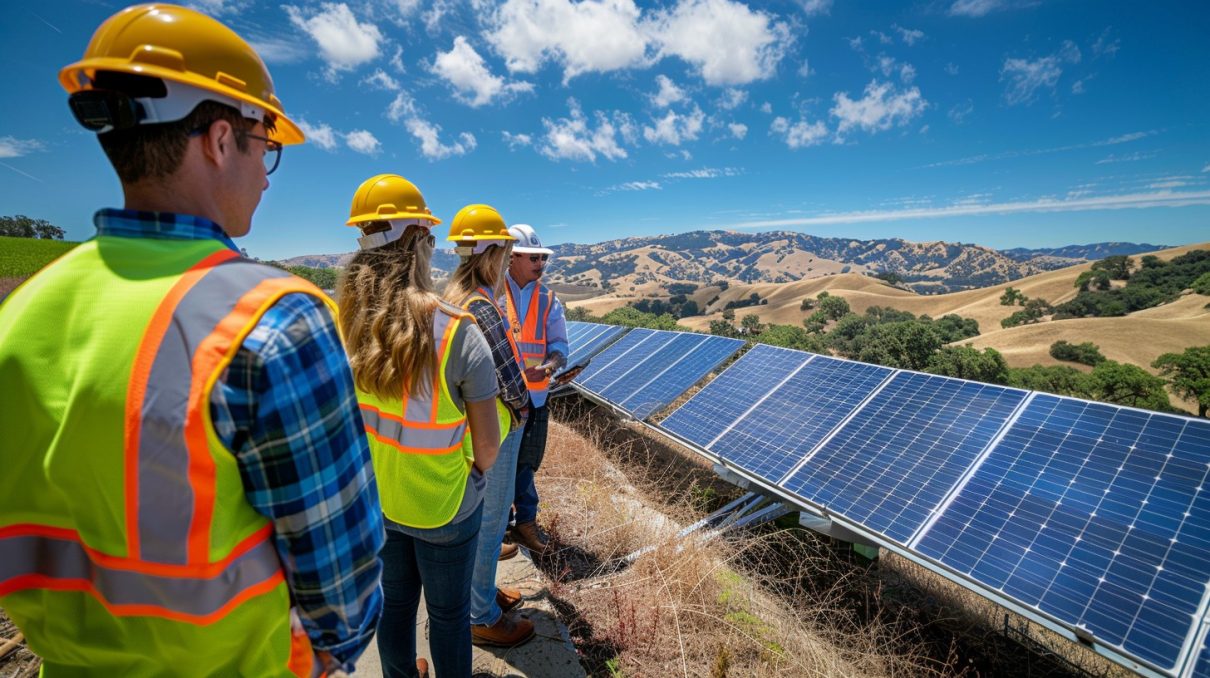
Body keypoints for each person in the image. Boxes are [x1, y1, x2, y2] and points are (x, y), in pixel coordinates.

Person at [0, 4, 383, 676]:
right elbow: (343, 592)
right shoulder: (275, 320)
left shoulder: (21, 313)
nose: (267, 172)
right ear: (218, 138)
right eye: (268, 147)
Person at [339, 175, 502, 678]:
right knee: (449, 617)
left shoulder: (345, 324)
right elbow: (489, 448)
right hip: (445, 505)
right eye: (430, 239)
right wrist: (473, 476)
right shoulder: (458, 332)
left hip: (380, 503)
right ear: (418, 245)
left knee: (393, 611)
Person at [443, 205, 537, 647]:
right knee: (491, 522)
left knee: (481, 520)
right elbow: (509, 380)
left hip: (470, 431)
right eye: (504, 250)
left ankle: (480, 593)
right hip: (497, 432)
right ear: (493, 254)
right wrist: (523, 410)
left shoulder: (455, 298)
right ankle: (480, 614)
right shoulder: (482, 306)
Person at [503, 224, 569, 555]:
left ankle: (524, 523)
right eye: (534, 257)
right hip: (498, 398)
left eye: (542, 258)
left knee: (526, 462)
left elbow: (559, 347)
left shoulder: (549, 299)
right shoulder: (491, 293)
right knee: (497, 462)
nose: (540, 264)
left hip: (536, 396)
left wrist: (550, 366)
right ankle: (500, 527)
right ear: (512, 257)